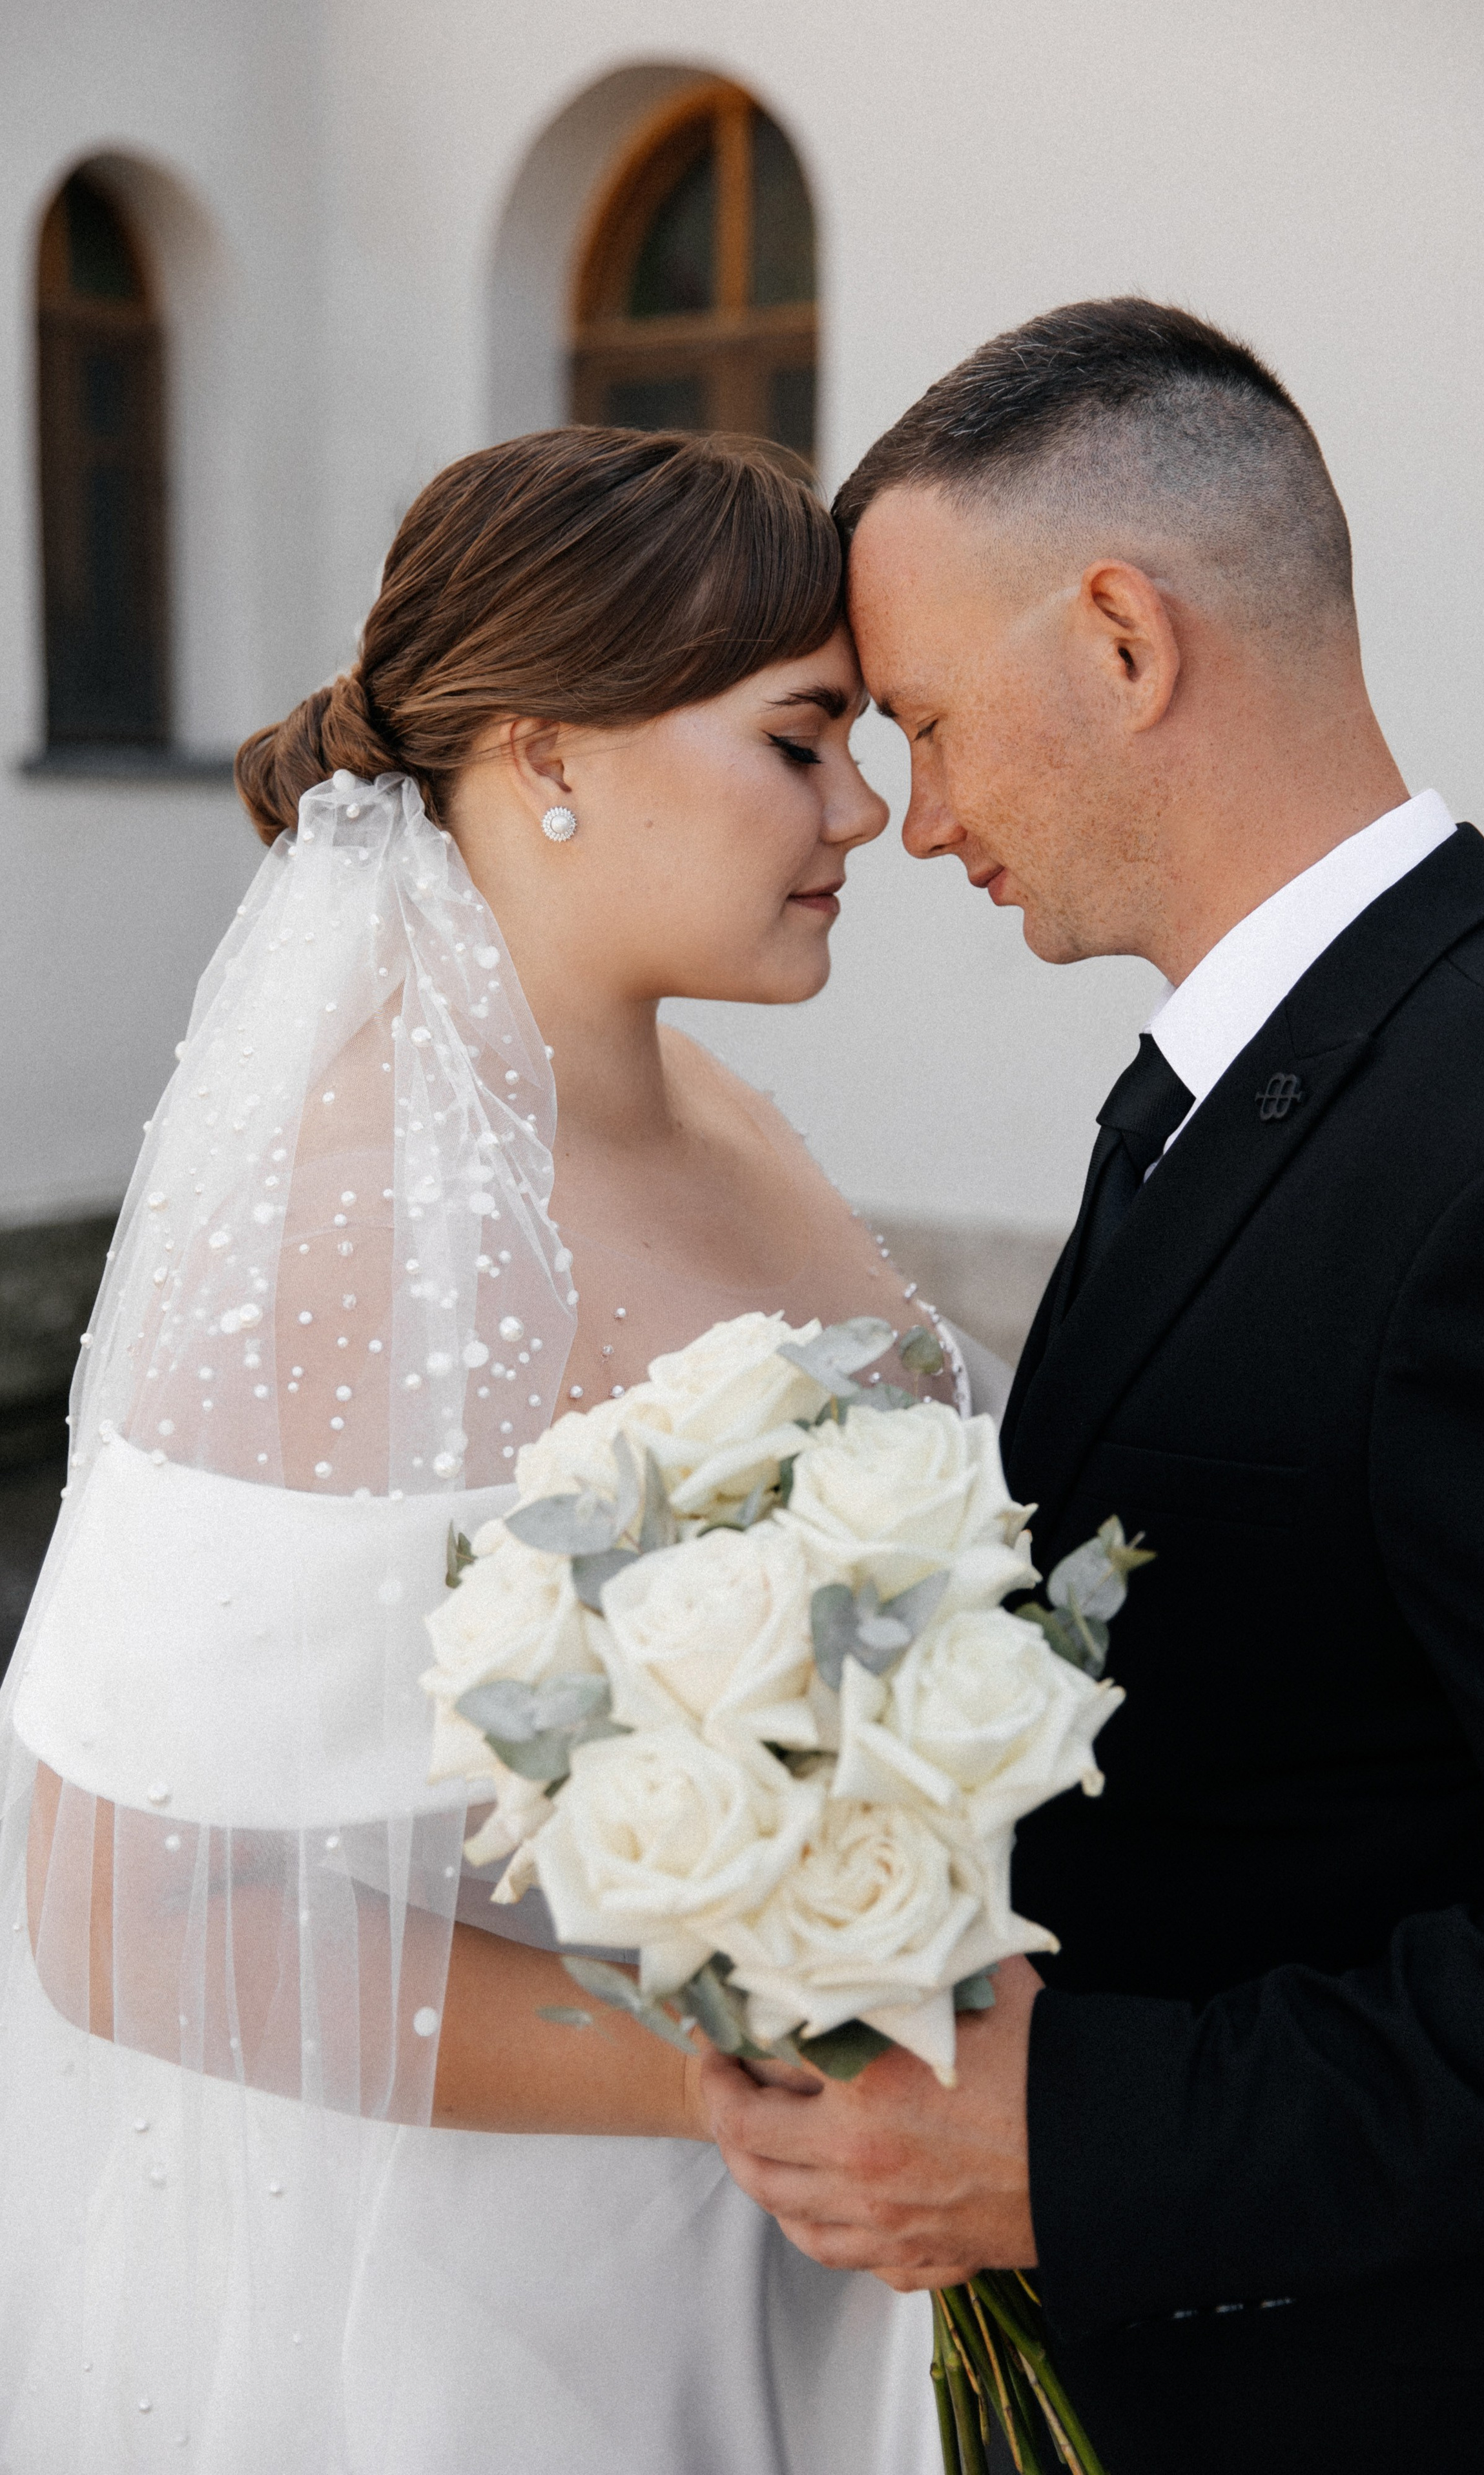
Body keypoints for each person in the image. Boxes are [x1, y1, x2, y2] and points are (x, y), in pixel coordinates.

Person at [701, 298, 1484, 2474]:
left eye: (928, 723)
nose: (916, 820)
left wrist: (1084, 2148)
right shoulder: (1245, 1086)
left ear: (1125, 642)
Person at [0, 427, 984, 2473]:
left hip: (830, 2243)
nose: (865, 809)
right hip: (523, 2316)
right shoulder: (354, 1219)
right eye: (800, 739)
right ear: (548, 754)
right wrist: (734, 2077)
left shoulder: (717, 1110)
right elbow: (119, 1916)